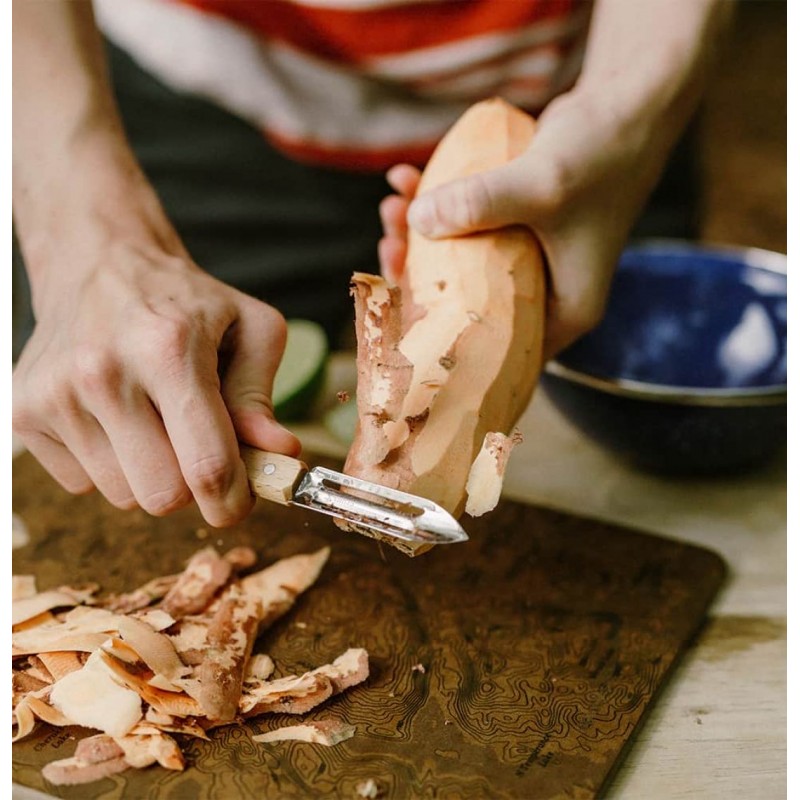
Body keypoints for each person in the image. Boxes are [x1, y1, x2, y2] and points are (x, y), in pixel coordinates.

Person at [12, 0, 729, 528]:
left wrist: (631, 112)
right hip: (145, 102)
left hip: (583, 131)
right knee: (129, 420)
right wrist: (88, 238)